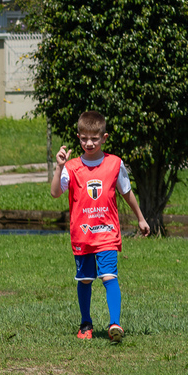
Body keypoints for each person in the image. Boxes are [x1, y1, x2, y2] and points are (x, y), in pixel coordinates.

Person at [50, 110, 150, 342]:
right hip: (82, 235)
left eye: (94, 138)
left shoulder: (115, 164)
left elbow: (127, 192)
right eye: (84, 138)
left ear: (104, 138)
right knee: (85, 280)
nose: (89, 143)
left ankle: (115, 324)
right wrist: (58, 167)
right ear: (78, 137)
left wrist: (141, 218)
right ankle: (86, 324)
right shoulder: (72, 167)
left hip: (106, 233)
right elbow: (55, 193)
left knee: (109, 277)